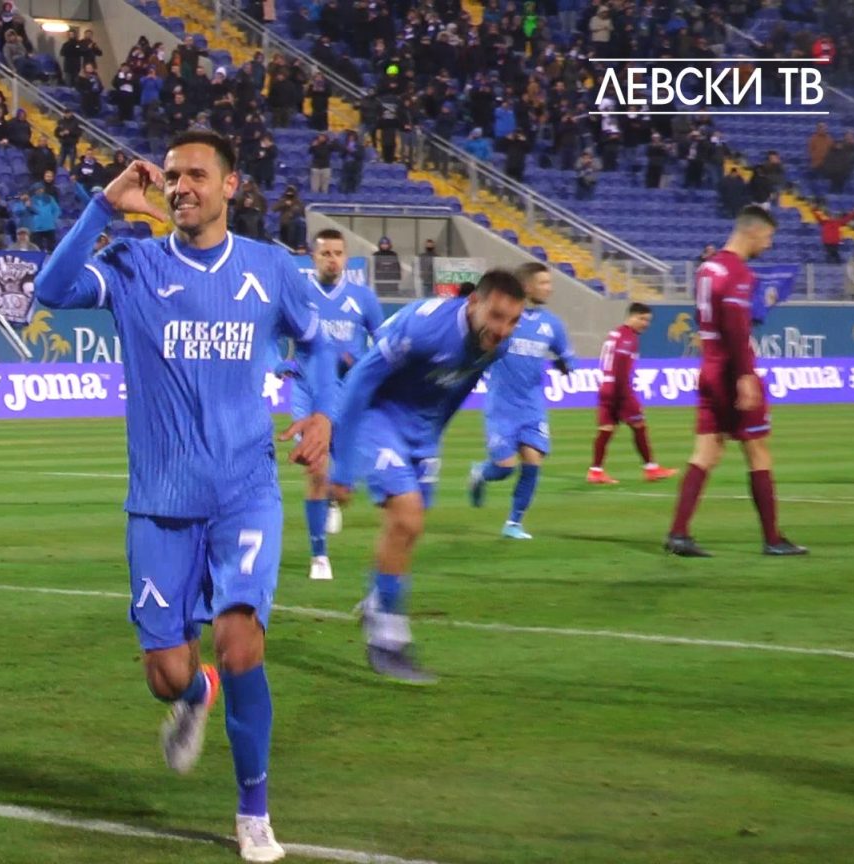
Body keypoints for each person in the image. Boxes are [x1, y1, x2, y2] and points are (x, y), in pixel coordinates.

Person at [34, 129, 337, 863]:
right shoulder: (133, 263)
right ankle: (192, 694)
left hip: (245, 493)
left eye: (197, 175)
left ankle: (254, 812)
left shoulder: (271, 268)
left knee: (240, 643)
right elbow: (50, 291)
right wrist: (103, 207)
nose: (180, 187)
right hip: (160, 500)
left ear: (230, 185)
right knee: (166, 674)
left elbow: (319, 343)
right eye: (172, 176)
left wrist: (323, 411)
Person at [330, 270, 526, 682]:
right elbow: (360, 381)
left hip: (421, 429)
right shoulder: (426, 328)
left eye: (512, 321)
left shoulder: (495, 345)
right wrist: (342, 468)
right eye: (496, 316)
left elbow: (461, 386)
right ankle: (387, 641)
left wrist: (433, 437)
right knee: (406, 519)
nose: (503, 329)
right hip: (379, 416)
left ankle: (376, 602)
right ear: (474, 303)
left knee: (410, 528)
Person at [665, 207, 806, 557]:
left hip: (709, 367)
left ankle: (678, 533)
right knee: (758, 450)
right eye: (768, 237)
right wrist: (745, 375)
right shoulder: (738, 273)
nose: (768, 245)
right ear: (752, 232)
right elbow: (736, 328)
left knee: (706, 452)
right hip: (731, 370)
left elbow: (708, 318)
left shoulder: (707, 268)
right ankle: (772, 538)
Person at [284, 229, 384, 582]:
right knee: (317, 468)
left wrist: (360, 363)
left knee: (342, 482)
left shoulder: (363, 298)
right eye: (325, 253)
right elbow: (271, 334)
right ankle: (319, 556)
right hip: (307, 392)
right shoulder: (298, 294)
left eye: (338, 253)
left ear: (345, 257)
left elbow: (383, 344)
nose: (332, 259)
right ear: (313, 257)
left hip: (348, 392)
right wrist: (280, 362)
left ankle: (331, 498)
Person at [465, 263, 576, 540]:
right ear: (527, 286)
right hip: (501, 406)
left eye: (550, 283)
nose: (549, 288)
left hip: (532, 406)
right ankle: (481, 473)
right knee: (505, 467)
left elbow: (566, 355)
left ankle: (513, 523)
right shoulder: (504, 319)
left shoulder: (552, 324)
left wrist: (566, 365)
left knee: (533, 462)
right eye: (543, 283)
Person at [589, 303, 677, 484]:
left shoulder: (615, 334)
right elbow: (620, 368)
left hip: (605, 385)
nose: (646, 324)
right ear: (632, 317)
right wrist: (627, 397)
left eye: (648, 320)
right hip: (619, 389)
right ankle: (651, 469)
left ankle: (595, 471)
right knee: (639, 425)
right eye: (642, 319)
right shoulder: (628, 338)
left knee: (606, 429)